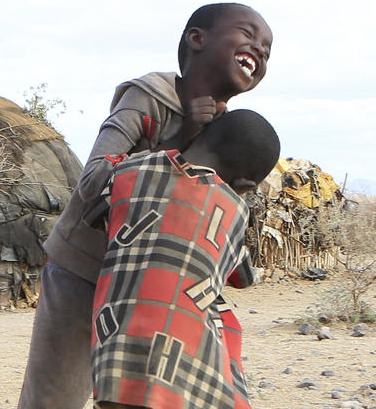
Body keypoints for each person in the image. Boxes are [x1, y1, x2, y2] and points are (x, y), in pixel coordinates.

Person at [18, 3, 273, 409]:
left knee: (147, 394)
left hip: (150, 287)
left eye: (266, 49)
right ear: (197, 39)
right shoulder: (149, 97)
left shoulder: (232, 132)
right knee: (53, 398)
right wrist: (182, 138)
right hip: (83, 270)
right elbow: (92, 182)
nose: (258, 51)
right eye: (248, 35)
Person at [91, 109, 280, 409]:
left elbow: (95, 214)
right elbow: (241, 277)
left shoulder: (128, 171)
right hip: (181, 359)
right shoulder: (232, 211)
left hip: (114, 345)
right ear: (244, 186)